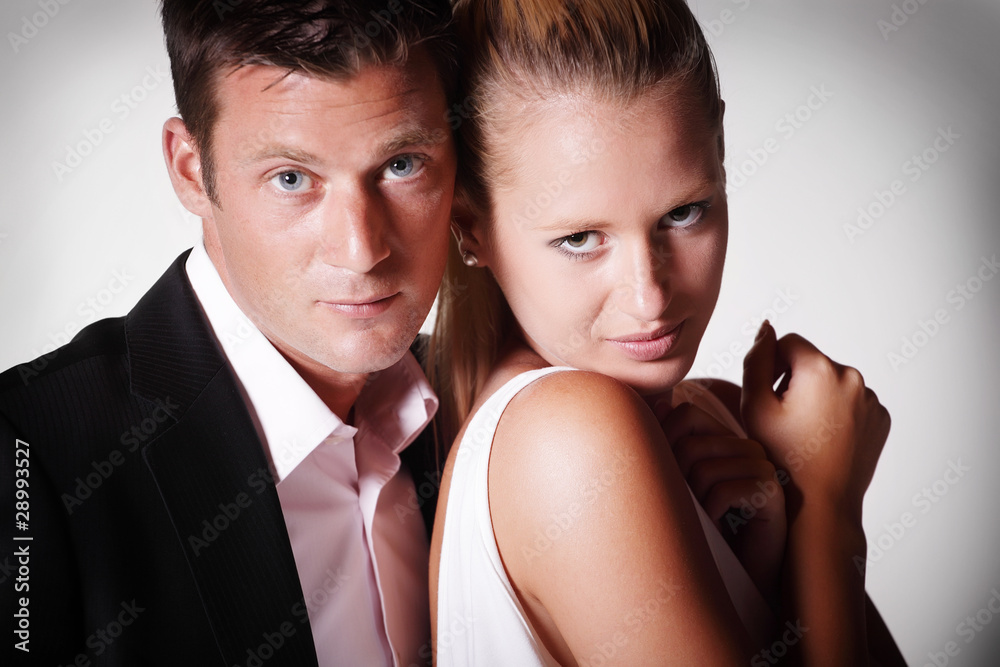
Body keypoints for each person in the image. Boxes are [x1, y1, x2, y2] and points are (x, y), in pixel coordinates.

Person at [429, 0, 905, 664]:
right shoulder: (566, 437)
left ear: (721, 155)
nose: (650, 295)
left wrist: (768, 569)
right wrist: (827, 505)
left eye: (685, 211)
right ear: (471, 230)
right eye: (580, 239)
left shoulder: (721, 420)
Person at [0, 1, 458, 665]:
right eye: (292, 178)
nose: (361, 249)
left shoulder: (482, 402)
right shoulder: (28, 454)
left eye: (402, 164)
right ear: (191, 168)